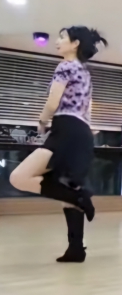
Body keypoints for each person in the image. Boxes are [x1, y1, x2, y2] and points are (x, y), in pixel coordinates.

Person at [9, 26, 105, 263]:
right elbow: (85, 108)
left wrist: (42, 121)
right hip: (81, 132)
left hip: (67, 129)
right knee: (67, 186)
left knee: (18, 177)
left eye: (62, 37)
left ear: (75, 43)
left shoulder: (65, 66)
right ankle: (76, 249)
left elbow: (53, 103)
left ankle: (79, 198)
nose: (57, 42)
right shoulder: (85, 72)